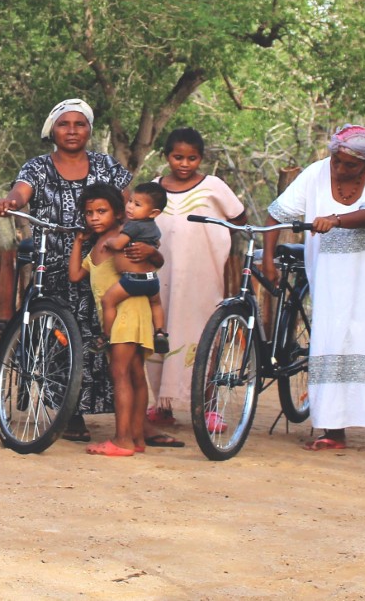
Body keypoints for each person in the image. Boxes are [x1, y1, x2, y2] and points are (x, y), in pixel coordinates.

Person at [0, 99, 154, 443]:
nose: (73, 130)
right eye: (65, 124)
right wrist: (9, 203)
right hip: (55, 266)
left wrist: (143, 241)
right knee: (59, 338)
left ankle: (134, 423)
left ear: (90, 130)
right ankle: (69, 412)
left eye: (80, 124)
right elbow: (20, 193)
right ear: (53, 130)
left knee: (110, 339)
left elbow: (132, 206)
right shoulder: (37, 167)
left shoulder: (107, 165)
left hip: (104, 267)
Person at [267, 124, 365, 454]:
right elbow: (276, 214)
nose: (340, 169)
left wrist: (336, 220)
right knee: (329, 342)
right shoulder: (315, 173)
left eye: (350, 165)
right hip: (326, 278)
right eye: (336, 161)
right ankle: (332, 430)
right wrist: (267, 257)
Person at [146, 128, 247, 427]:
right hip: (160, 275)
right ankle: (162, 405)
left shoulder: (214, 186)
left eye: (192, 158)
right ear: (166, 157)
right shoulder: (153, 188)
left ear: (201, 159)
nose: (185, 164)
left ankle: (209, 406)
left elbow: (239, 219)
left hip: (201, 277)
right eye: (178, 157)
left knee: (203, 335)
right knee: (159, 334)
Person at [68, 185, 159, 456]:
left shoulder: (122, 238)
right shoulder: (98, 245)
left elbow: (150, 260)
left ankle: (123, 440)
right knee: (134, 375)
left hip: (127, 313)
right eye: (89, 213)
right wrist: (77, 241)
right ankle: (137, 438)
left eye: (101, 211)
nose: (94, 217)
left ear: (118, 213)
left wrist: (148, 250)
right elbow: (75, 275)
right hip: (129, 315)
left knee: (120, 376)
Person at [92, 182, 168, 353]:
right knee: (156, 303)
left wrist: (109, 242)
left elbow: (119, 244)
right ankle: (160, 332)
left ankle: (106, 336)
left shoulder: (133, 225)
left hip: (133, 280)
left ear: (154, 212)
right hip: (151, 279)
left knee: (108, 301)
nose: (131, 207)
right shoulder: (153, 227)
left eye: (137, 204)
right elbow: (157, 243)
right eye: (131, 201)